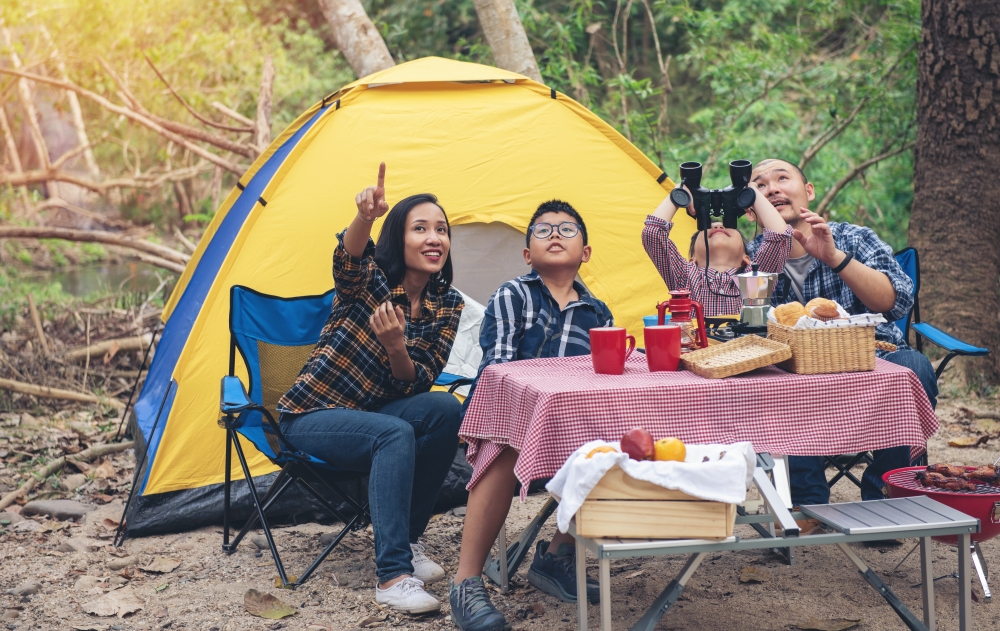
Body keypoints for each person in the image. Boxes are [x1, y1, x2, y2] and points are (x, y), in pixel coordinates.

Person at [276, 163, 464, 614]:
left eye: (442, 230)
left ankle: (409, 541)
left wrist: (396, 345)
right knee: (393, 433)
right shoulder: (370, 282)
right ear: (398, 236)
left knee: (445, 409)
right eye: (421, 228)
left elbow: (418, 378)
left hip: (378, 415)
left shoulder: (447, 304)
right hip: (313, 415)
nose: (434, 238)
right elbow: (349, 259)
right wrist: (365, 217)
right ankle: (393, 575)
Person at [449, 200, 613, 631]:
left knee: (612, 447)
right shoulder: (513, 295)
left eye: (566, 229)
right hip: (510, 416)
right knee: (507, 443)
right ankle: (466, 580)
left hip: (569, 426)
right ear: (527, 256)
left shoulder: (599, 313)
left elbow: (599, 382)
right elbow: (499, 372)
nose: (554, 235)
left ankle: (556, 556)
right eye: (542, 231)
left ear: (587, 252)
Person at [748, 158, 938, 506]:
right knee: (768, 383)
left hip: (872, 359)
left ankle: (887, 496)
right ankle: (804, 503)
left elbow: (895, 302)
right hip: (791, 375)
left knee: (916, 367)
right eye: (759, 186)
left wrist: (835, 257)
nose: (771, 188)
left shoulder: (852, 237)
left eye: (781, 178)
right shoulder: (750, 260)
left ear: (808, 191)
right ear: (750, 210)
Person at [642, 186, 792, 316]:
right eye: (708, 228)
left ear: (746, 258)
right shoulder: (685, 277)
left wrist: (752, 192)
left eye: (727, 227)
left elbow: (780, 236)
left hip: (748, 349)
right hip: (700, 349)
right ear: (692, 258)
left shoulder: (754, 278)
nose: (718, 227)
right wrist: (680, 193)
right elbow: (652, 234)